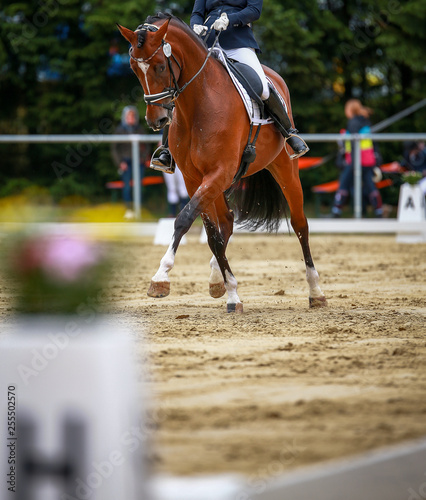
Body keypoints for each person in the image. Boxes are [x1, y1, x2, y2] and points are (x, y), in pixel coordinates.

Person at [150, 0, 309, 172]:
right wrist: (195, 25)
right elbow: (197, 12)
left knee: (262, 87)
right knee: (180, 87)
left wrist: (230, 19)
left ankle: (289, 133)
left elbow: (254, 10)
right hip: (205, 42)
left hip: (238, 41)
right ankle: (167, 150)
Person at [331, 99, 383, 218]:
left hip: (355, 161)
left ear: (350, 110)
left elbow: (354, 143)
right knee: (370, 185)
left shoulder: (353, 122)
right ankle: (379, 211)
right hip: (367, 160)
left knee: (343, 183)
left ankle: (336, 211)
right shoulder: (365, 121)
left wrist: (352, 163)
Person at [111, 106, 150, 218]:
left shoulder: (140, 129)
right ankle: (128, 210)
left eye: (133, 116)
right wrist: (120, 162)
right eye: (129, 116)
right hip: (126, 163)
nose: (131, 118)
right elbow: (114, 149)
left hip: (139, 162)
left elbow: (146, 145)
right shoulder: (119, 130)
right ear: (125, 117)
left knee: (138, 186)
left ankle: (138, 209)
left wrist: (143, 158)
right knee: (127, 187)